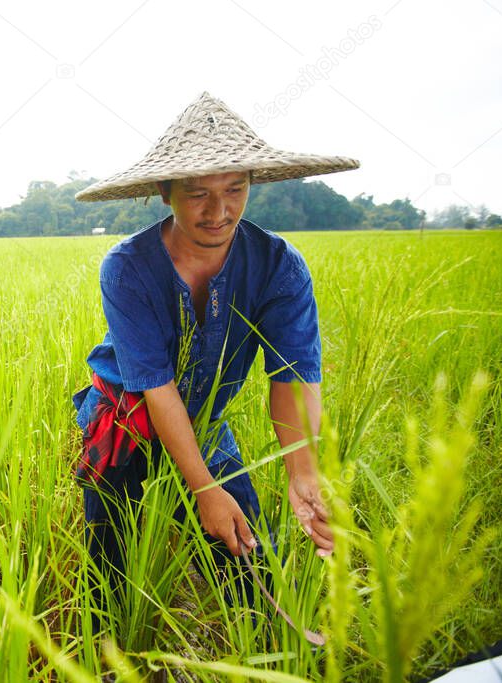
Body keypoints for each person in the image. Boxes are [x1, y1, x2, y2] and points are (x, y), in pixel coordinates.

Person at [71, 92, 359, 619]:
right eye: (197, 192)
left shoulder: (277, 266)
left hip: (205, 424)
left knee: (251, 573)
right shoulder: (127, 267)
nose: (219, 211)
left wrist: (303, 472)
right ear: (164, 191)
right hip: (126, 424)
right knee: (112, 575)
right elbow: (156, 388)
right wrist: (202, 489)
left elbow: (293, 377)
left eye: (235, 189)